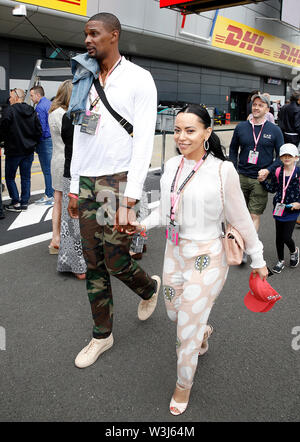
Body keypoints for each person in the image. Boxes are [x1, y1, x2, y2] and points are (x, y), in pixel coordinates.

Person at [132, 104, 267, 415]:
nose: (181, 136)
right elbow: (166, 210)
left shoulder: (223, 170)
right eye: (177, 130)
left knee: (186, 329)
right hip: (173, 252)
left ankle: (183, 383)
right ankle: (202, 331)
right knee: (173, 315)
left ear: (208, 132)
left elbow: (241, 218)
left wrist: (258, 257)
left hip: (208, 255)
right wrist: (143, 223)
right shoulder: (170, 165)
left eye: (190, 130)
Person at [67, 12, 160, 369]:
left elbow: (144, 142)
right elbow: (80, 134)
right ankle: (101, 335)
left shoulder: (139, 79)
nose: (88, 40)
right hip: (87, 181)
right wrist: (75, 186)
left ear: (114, 35)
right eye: (85, 34)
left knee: (117, 260)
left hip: (117, 182)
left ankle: (149, 289)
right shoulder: (84, 78)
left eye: (94, 34)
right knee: (93, 262)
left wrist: (131, 195)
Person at [229, 94, 284, 238]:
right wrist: (233, 168)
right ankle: (239, 244)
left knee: (254, 215)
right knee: (239, 214)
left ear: (267, 109)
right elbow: (233, 149)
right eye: (255, 104)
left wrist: (268, 170)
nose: (256, 107)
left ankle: (248, 246)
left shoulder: (275, 130)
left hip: (261, 180)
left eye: (261, 105)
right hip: (241, 177)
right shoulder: (241, 127)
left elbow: (281, 157)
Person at [0, 88, 42, 212]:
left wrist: (4, 139)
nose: (9, 99)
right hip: (28, 150)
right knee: (26, 177)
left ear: (17, 97)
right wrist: (33, 143)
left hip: (14, 150)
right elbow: (38, 130)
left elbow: (3, 127)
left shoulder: (10, 110)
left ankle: (15, 202)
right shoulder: (31, 110)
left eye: (11, 96)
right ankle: (24, 202)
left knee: (10, 177)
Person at [57, 110, 87, 279]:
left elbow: (65, 139)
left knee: (71, 223)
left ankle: (76, 265)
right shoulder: (91, 115)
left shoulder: (68, 116)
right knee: (87, 221)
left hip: (70, 171)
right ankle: (84, 264)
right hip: (88, 173)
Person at [262, 143, 300, 273]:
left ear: (296, 157)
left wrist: (298, 203)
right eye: (284, 156)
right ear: (280, 158)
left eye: (290, 155)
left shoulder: (298, 173)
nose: (287, 158)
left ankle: (294, 251)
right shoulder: (278, 171)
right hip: (279, 208)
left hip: (292, 209)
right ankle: (281, 260)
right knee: (279, 237)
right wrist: (262, 181)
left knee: (286, 237)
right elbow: (273, 188)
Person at [48, 80, 73, 254]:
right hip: (66, 160)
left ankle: (55, 238)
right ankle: (61, 238)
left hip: (56, 158)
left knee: (57, 200)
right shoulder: (64, 114)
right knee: (66, 201)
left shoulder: (52, 112)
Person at [30, 85, 54, 205]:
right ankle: (52, 193)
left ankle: (49, 195)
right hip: (52, 140)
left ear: (38, 95)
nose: (31, 98)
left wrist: (36, 143)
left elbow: (41, 128)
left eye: (32, 95)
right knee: (51, 169)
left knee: (46, 170)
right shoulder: (50, 104)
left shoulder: (39, 107)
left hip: (44, 141)